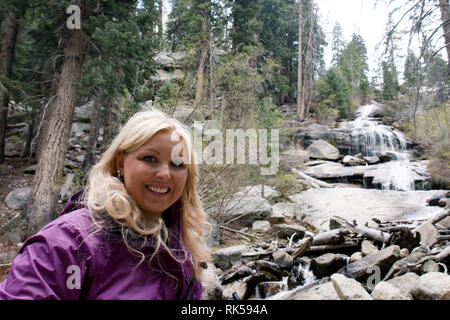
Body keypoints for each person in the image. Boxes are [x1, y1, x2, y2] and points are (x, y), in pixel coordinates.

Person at [0, 110, 211, 299]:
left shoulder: (181, 253)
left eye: (177, 163)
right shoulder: (68, 242)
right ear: (120, 162)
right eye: (150, 158)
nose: (165, 174)